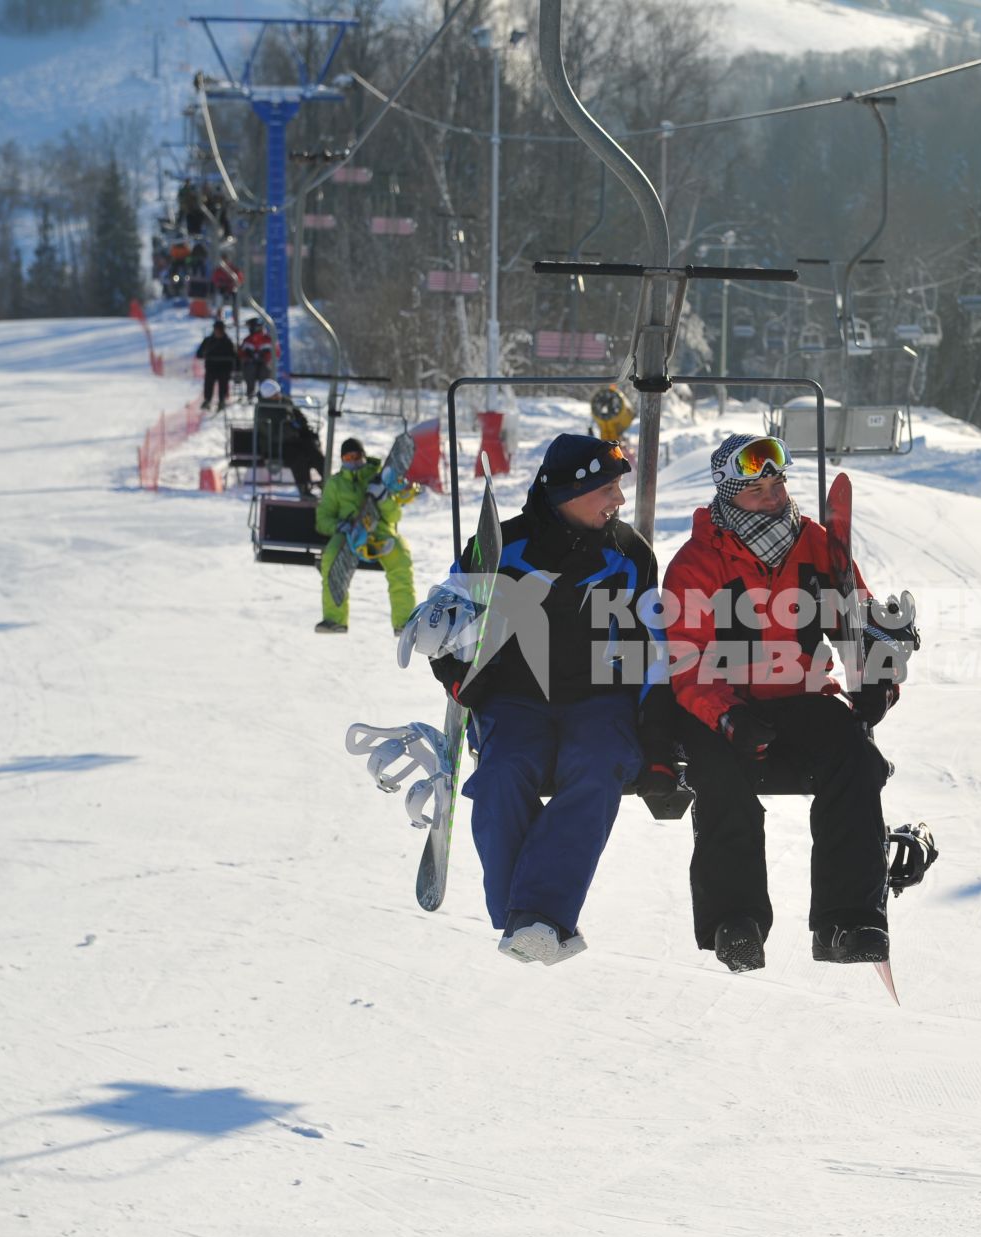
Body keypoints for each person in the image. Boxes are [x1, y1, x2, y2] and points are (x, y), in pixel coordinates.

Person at [399, 434, 678, 965]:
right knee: (504, 772)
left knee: (597, 769)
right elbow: (448, 627)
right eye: (609, 488)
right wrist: (454, 675)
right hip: (515, 698)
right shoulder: (504, 548)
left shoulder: (632, 554)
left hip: (602, 697)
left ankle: (534, 916)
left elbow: (652, 648)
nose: (618, 500)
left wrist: (659, 741)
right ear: (571, 491)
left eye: (620, 486)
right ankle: (526, 918)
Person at [662, 434, 909, 974]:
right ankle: (737, 921)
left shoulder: (816, 544)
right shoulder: (697, 563)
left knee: (853, 755)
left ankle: (848, 919)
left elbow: (861, 618)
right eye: (757, 490)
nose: (774, 498)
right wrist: (726, 716)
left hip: (800, 696)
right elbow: (685, 661)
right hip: (722, 704)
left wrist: (878, 680)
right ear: (729, 495)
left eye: (778, 485)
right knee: (720, 778)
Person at [315, 436, 417, 636]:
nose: (352, 461)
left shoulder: (378, 477)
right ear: (342, 459)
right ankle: (335, 619)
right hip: (349, 533)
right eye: (348, 457)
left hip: (379, 530)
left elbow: (395, 515)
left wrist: (384, 498)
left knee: (401, 558)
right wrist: (340, 525)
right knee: (331, 558)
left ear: (363, 456)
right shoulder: (336, 484)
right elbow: (322, 519)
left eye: (356, 456)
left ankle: (404, 622)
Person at [253, 380, 325, 499]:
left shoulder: (285, 401)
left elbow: (297, 413)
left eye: (278, 393)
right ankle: (304, 489)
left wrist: (302, 426)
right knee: (298, 457)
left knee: (312, 450)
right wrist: (292, 430)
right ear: (268, 396)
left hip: (293, 439)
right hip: (276, 445)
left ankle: (327, 480)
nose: (278, 396)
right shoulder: (263, 410)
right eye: (275, 395)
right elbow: (271, 433)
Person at [195, 319, 235, 412]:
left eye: (220, 330)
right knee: (209, 383)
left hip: (224, 368)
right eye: (217, 329)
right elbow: (199, 354)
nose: (218, 332)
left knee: (223, 384)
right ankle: (207, 400)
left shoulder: (227, 342)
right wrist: (205, 354)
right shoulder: (208, 341)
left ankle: (222, 401)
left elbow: (233, 355)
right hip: (211, 367)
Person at [238, 319, 274, 400]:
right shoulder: (247, 340)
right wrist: (247, 356)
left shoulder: (267, 339)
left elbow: (275, 353)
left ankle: (264, 394)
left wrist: (265, 357)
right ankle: (250, 392)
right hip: (251, 365)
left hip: (264, 365)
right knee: (249, 368)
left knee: (265, 371)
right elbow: (241, 353)